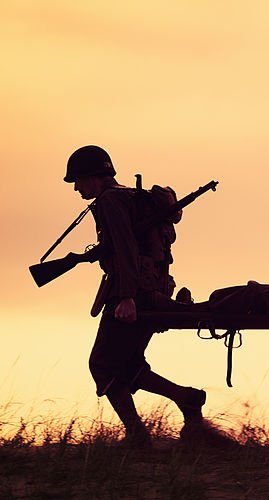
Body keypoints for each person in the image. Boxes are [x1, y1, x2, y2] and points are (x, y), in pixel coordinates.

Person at [64, 145, 208, 448]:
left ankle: (137, 435)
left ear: (94, 176)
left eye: (78, 180)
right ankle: (186, 399)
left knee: (102, 364)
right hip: (153, 289)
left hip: (132, 294)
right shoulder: (129, 197)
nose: (76, 187)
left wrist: (126, 297)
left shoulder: (110, 200)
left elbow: (127, 249)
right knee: (127, 364)